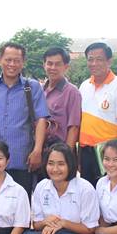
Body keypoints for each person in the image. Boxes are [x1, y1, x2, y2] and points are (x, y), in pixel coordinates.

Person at [0, 42, 49, 196]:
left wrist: (37, 150)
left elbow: (41, 120)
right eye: (8, 60)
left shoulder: (32, 87)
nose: (12, 64)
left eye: (17, 61)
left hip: (22, 158)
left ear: (23, 63)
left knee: (21, 202)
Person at [78, 42, 117, 187]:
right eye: (90, 59)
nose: (94, 63)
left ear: (109, 61)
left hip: (107, 153)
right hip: (86, 151)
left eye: (99, 59)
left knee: (108, 192)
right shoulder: (84, 86)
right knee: (88, 191)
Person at [40, 46, 82, 174]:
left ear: (66, 67)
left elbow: (73, 127)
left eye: (57, 64)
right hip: (41, 151)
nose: (53, 68)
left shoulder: (72, 92)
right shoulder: (40, 90)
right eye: (49, 63)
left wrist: (66, 157)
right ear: (44, 65)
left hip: (60, 152)